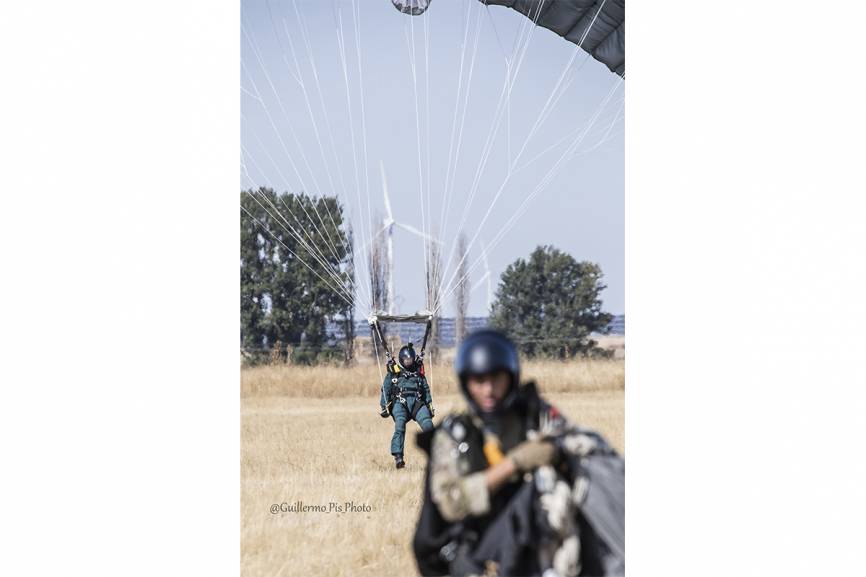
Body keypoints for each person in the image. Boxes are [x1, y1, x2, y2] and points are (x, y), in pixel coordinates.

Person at [412, 329, 625, 577]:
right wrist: (516, 463)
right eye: (479, 381)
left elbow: (580, 443)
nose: (489, 391)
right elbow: (452, 503)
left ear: (511, 378)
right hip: (477, 544)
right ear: (466, 383)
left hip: (538, 532)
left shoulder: (534, 415)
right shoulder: (455, 436)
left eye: (497, 379)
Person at [379, 342, 435, 469]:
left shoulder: (418, 373)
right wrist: (384, 406)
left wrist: (429, 405)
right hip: (400, 403)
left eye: (410, 360)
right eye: (406, 360)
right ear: (401, 359)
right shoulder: (394, 372)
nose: (408, 362)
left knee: (428, 425)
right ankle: (398, 457)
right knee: (400, 426)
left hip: (417, 403)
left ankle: (436, 455)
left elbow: (425, 389)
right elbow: (386, 389)